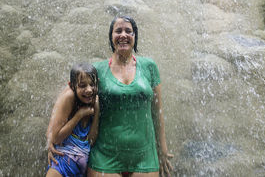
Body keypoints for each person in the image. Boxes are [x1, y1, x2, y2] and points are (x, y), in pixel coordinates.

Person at [87, 15, 173, 177]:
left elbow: (157, 111)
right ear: (111, 37)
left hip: (144, 156)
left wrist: (162, 149)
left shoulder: (149, 66)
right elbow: (72, 94)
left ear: (135, 36)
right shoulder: (97, 70)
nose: (123, 35)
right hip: (104, 155)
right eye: (118, 31)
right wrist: (55, 133)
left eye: (129, 31)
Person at [46, 63, 100, 177]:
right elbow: (55, 138)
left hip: (81, 166)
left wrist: (97, 110)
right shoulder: (69, 98)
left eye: (92, 84)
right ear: (72, 86)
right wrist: (78, 115)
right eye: (82, 85)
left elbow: (91, 140)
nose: (89, 89)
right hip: (60, 164)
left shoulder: (94, 100)